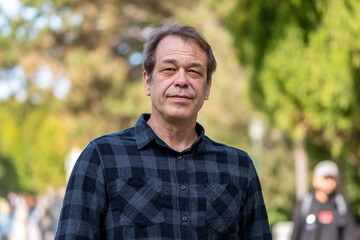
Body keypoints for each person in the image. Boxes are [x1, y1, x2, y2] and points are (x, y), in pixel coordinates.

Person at [55, 24, 272, 239]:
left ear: (207, 88)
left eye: (194, 72)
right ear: (148, 82)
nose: (181, 81)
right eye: (169, 69)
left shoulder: (238, 167)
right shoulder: (102, 157)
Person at [291, 160, 356, 240]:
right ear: (315, 180)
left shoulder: (341, 206)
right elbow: (295, 234)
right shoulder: (305, 205)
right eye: (325, 178)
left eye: (332, 179)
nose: (329, 183)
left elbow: (349, 234)